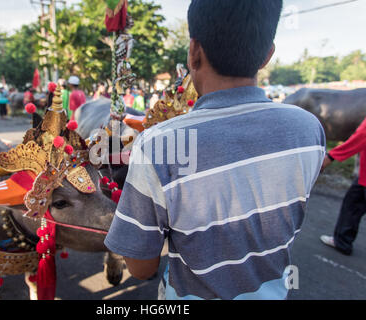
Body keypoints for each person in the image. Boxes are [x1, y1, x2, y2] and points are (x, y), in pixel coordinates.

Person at [104, 0, 325, 300]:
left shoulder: (160, 145)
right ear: (267, 55)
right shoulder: (309, 129)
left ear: (194, 52)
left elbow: (142, 268)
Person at [320, 113, 366, 255]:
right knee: (352, 203)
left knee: (353, 203)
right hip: (364, 176)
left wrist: (331, 156)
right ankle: (342, 242)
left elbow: (363, 135)